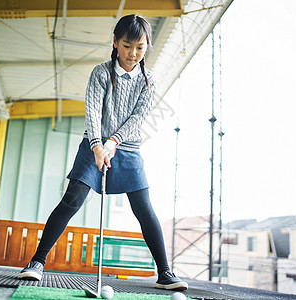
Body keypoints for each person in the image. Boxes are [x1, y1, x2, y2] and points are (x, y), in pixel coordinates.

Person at [19, 14, 188, 291]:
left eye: (140, 47)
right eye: (126, 45)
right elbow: (93, 111)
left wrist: (113, 142)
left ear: (147, 47)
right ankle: (37, 262)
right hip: (93, 144)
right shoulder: (100, 72)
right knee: (72, 200)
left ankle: (165, 273)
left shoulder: (149, 82)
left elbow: (137, 117)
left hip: (128, 147)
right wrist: (98, 145)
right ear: (115, 42)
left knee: (144, 209)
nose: (132, 54)